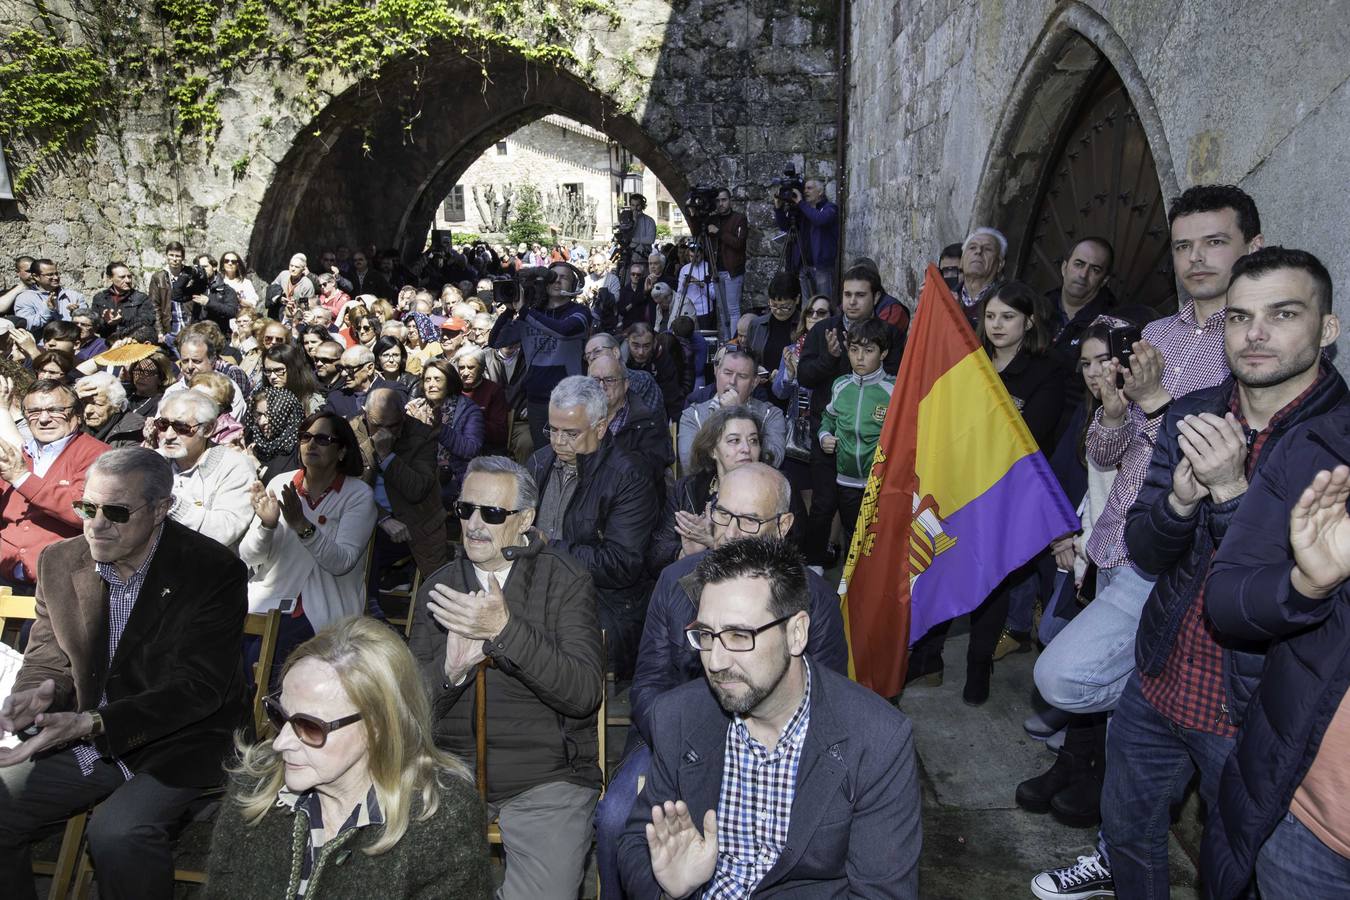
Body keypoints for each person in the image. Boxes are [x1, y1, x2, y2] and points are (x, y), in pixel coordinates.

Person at [1072, 248, 1345, 900]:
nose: (1254, 334)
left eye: (1282, 314)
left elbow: (1279, 596)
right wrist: (1178, 503)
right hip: (1163, 675)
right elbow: (1146, 547)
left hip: (1250, 710)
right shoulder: (1194, 409)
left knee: (1236, 870)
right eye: (1238, 317)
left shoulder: (1334, 444)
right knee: (1128, 830)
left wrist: (1230, 494)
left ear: (1326, 329)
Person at [1030, 184, 1266, 896]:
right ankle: (1117, 840)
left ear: (1251, 247)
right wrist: (1111, 412)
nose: (1197, 258)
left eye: (1215, 242)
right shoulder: (1154, 336)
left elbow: (1233, 464)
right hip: (1120, 546)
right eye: (1185, 245)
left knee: (1071, 682)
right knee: (1075, 683)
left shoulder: (1251, 346)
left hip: (1191, 566)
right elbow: (1109, 454)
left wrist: (1160, 408)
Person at [0, 447, 248, 900]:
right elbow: (47, 657)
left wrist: (95, 722)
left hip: (180, 741)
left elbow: (198, 689)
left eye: (115, 512)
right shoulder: (60, 561)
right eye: (86, 507)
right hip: (87, 738)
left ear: (159, 510)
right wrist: (37, 693)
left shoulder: (211, 569)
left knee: (118, 833)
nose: (96, 523)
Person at [618, 537, 921, 898]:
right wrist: (671, 891)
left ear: (796, 633)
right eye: (706, 635)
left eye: (738, 635)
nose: (715, 661)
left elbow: (881, 893)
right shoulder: (679, 716)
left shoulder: (876, 740)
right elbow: (636, 841)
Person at [597, 462, 846, 896]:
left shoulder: (815, 600)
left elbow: (829, 708)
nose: (730, 532)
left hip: (778, 751)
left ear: (784, 524)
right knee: (616, 820)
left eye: (749, 520)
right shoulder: (675, 583)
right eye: (722, 514)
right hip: (672, 738)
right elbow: (648, 684)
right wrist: (686, 740)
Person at [407, 455, 603, 900]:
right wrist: (450, 672)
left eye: (493, 513)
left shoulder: (564, 581)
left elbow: (583, 693)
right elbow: (407, 713)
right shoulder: (439, 588)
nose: (475, 524)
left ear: (525, 520)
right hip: (450, 774)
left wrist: (504, 632)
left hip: (547, 778)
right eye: (465, 510)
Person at [204, 616, 490, 898]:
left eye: (310, 726)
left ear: (377, 727)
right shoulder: (254, 784)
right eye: (279, 715)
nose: (281, 742)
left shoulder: (440, 816)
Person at [1203, 417, 1350, 896]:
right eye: (1237, 331)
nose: (1255, 336)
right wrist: (1307, 585)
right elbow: (1226, 600)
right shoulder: (1321, 443)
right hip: (1308, 817)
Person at [527, 376, 657, 680]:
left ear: (600, 428)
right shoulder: (539, 462)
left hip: (602, 603)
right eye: (553, 430)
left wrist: (549, 547)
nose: (558, 442)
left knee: (536, 646)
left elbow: (624, 564)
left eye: (571, 433)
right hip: (538, 589)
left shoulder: (629, 477)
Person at [242, 411, 377, 682]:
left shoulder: (358, 495)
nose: (311, 444)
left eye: (323, 439)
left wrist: (302, 524)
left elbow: (341, 562)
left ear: (341, 451)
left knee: (266, 660)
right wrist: (267, 526)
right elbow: (248, 556)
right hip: (268, 598)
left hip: (323, 607)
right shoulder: (281, 483)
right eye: (305, 437)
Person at [797, 266, 905, 569]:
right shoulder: (823, 330)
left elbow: (899, 383)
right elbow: (805, 375)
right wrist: (829, 358)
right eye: (847, 295)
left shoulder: (891, 336)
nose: (853, 301)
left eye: (861, 295)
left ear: (876, 297)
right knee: (823, 503)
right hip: (829, 433)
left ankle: (869, 574)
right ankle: (816, 564)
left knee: (873, 518)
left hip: (874, 449)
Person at [0, 379, 109, 593]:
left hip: (60, 584)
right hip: (5, 572)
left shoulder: (99, 455)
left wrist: (22, 478)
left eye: (55, 410)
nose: (43, 418)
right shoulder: (17, 453)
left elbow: (87, 512)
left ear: (78, 415)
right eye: (34, 411)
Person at [352, 387, 450, 594]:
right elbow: (348, 488)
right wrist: (381, 517)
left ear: (403, 417)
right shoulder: (351, 433)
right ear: (364, 414)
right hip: (369, 519)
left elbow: (417, 489)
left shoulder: (422, 435)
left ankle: (378, 594)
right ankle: (373, 598)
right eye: (377, 425)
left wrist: (387, 456)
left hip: (415, 524)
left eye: (393, 425)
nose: (384, 433)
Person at [649, 404, 768, 573]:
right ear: (713, 450)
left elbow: (785, 558)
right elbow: (655, 555)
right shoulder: (687, 489)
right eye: (735, 440)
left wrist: (715, 545)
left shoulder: (774, 491)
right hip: (692, 588)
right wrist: (685, 554)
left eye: (753, 441)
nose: (746, 449)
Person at [818, 317, 897, 561]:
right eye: (854, 350)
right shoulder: (841, 386)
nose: (860, 357)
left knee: (880, 538)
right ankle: (849, 592)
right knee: (852, 534)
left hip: (881, 483)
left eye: (868, 350)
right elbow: (828, 418)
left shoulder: (894, 389)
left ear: (883, 353)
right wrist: (824, 436)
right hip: (847, 481)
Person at [153, 390, 256, 550]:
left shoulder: (235, 466)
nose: (169, 435)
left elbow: (225, 531)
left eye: (181, 427)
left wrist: (170, 503)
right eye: (163, 425)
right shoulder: (150, 462)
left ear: (208, 429)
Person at [678, 349, 787, 471]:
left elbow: (774, 461)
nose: (732, 381)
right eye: (727, 373)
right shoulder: (693, 415)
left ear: (754, 382)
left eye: (742, 376)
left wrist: (738, 412)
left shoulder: (771, 414)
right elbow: (690, 464)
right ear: (716, 372)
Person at [589, 353, 671, 499]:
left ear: (626, 384)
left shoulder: (647, 421)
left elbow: (648, 472)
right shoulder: (577, 415)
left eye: (609, 380)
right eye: (595, 380)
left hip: (631, 500)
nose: (601, 386)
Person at [773, 178, 840, 302]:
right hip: (804, 266)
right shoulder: (803, 210)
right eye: (804, 188)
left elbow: (819, 219)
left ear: (820, 192)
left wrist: (801, 204)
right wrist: (778, 209)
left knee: (824, 303)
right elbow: (785, 226)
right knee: (806, 305)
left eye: (809, 188)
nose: (805, 192)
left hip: (822, 267)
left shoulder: (830, 208)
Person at [160, 330, 247, 420]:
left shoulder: (228, 389)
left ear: (212, 361)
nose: (190, 366)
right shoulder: (172, 392)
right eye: (185, 361)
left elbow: (230, 426)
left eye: (196, 361)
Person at [745, 272, 801, 398]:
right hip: (759, 393)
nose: (778, 311)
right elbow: (747, 355)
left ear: (797, 299)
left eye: (784, 307)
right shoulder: (757, 325)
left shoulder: (803, 327)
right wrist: (755, 369)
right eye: (773, 305)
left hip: (790, 394)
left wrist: (784, 374)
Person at [706, 187, 750, 340]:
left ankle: (734, 341)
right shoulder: (712, 219)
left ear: (730, 201)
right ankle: (726, 341)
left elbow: (738, 243)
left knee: (733, 310)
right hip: (716, 271)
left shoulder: (739, 219)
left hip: (732, 271)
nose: (721, 203)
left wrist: (718, 232)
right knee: (722, 310)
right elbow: (697, 231)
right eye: (717, 201)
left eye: (724, 200)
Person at [451, 345, 507, 452]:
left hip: (485, 448)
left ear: (481, 368)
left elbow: (500, 433)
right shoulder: (452, 389)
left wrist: (473, 421)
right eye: (461, 368)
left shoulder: (493, 391)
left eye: (471, 367)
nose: (465, 373)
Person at [625, 321, 685, 420]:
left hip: (655, 414)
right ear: (627, 341)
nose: (641, 352)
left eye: (646, 346)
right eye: (635, 346)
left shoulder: (663, 360)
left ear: (654, 343)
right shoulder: (617, 359)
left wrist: (676, 425)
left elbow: (672, 397)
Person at [244, 385, 304, 483]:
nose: (262, 422)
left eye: (270, 415)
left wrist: (258, 467)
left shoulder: (299, 448)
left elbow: (287, 486)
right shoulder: (256, 443)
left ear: (285, 415)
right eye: (259, 415)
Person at [90, 261, 157, 344]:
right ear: (110, 278)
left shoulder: (141, 298)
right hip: (108, 344)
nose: (127, 280)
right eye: (122, 277)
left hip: (132, 343)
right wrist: (107, 322)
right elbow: (94, 326)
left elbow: (147, 321)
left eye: (129, 276)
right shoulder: (100, 298)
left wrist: (122, 320)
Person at [75, 371, 145, 447]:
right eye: (83, 403)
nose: (87, 410)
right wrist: (72, 396)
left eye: (98, 404)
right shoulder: (75, 423)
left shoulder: (134, 429)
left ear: (116, 405)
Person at [13, 258, 84, 332]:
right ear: (36, 277)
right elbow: (27, 325)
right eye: (50, 275)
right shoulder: (25, 298)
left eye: (56, 273)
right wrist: (48, 311)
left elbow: (87, 323)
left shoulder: (74, 296)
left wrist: (76, 314)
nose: (56, 277)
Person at [957, 227, 1007, 325]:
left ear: (1000, 264)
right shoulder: (945, 297)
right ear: (961, 261)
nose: (978, 251)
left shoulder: (1006, 302)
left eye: (988, 249)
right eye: (972, 247)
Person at [262, 342, 323, 414]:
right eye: (268, 371)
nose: (272, 376)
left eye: (278, 370)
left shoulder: (314, 403)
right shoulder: (263, 400)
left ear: (293, 369)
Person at [188, 254, 241, 333]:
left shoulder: (227, 290)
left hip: (218, 335)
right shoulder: (195, 287)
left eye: (205, 267)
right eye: (199, 268)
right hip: (197, 335)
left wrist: (209, 303)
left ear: (214, 267)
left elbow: (232, 311)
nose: (202, 270)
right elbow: (177, 295)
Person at [675, 241, 716, 332]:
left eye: (696, 257)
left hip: (705, 311)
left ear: (702, 254)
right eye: (691, 257)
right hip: (688, 311)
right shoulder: (684, 269)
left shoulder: (708, 267)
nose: (693, 260)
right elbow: (679, 294)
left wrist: (699, 284)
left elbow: (713, 295)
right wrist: (683, 284)